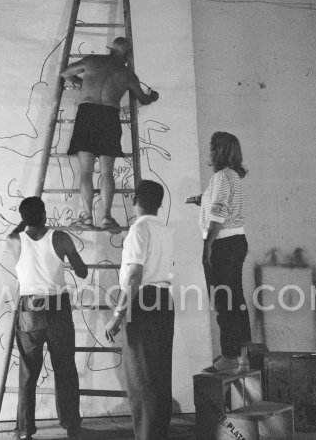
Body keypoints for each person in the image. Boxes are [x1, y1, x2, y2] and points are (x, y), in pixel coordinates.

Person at [6, 197, 88, 440]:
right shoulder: (60, 237)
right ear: (44, 214)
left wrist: (26, 222)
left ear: (23, 218)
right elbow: (82, 272)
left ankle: (24, 431)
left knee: (28, 373)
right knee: (65, 370)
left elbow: (16, 231)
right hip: (58, 308)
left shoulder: (14, 241)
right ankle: (72, 426)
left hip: (30, 307)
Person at [60, 37, 159, 234]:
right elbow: (143, 99)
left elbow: (65, 73)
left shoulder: (92, 61)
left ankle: (87, 217)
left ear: (110, 50)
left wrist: (82, 83)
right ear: (127, 55)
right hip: (109, 117)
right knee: (106, 173)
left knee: (86, 172)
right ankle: (106, 217)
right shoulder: (128, 74)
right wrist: (153, 96)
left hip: (87, 113)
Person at [104, 180, 174, 440]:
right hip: (163, 300)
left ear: (135, 200)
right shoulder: (163, 230)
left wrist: (117, 315)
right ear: (159, 204)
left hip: (142, 302)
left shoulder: (138, 230)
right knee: (158, 374)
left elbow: (134, 276)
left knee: (141, 377)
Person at [196, 131, 251, 373]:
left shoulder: (221, 176)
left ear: (220, 151)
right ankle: (243, 352)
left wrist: (208, 243)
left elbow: (219, 210)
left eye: (212, 148)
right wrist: (202, 200)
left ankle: (229, 355)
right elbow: (222, 204)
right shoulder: (233, 175)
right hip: (237, 240)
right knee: (235, 298)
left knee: (223, 300)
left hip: (223, 243)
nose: (209, 152)